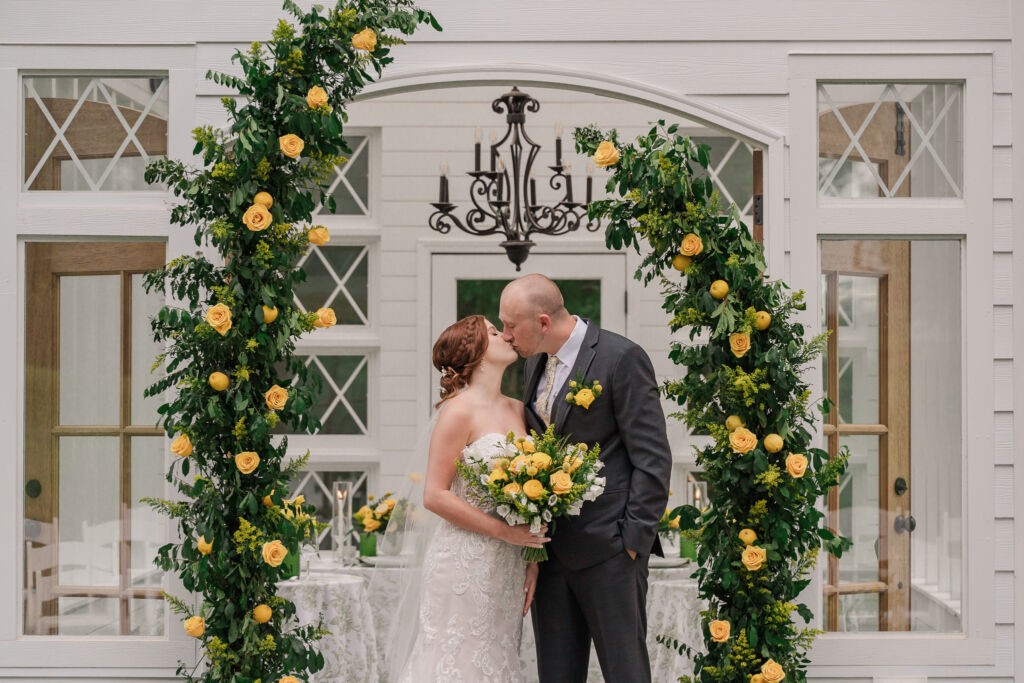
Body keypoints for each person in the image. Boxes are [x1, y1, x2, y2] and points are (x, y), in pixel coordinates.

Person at [499, 274, 672, 683]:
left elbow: (653, 458)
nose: (505, 335)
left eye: (510, 325)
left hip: (611, 552)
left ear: (543, 322)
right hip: (551, 554)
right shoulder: (533, 362)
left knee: (625, 673)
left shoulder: (620, 357)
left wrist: (632, 542)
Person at [393, 314, 547, 683]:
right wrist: (503, 532)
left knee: (496, 659)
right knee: (456, 660)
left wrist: (532, 557)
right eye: (494, 332)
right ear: (475, 352)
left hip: (509, 564)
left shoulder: (517, 408)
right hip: (463, 560)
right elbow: (434, 495)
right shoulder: (458, 410)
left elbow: (535, 491)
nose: (506, 335)